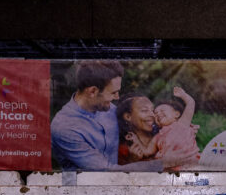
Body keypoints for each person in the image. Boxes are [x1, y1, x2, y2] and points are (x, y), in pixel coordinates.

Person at [50, 61, 197, 171]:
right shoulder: (64, 128)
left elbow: (147, 129)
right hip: (82, 194)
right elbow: (106, 171)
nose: (117, 97)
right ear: (93, 91)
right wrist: (165, 162)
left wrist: (178, 128)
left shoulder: (108, 109)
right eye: (113, 92)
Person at [122, 87, 200, 170]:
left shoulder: (182, 124)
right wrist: (135, 139)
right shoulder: (157, 137)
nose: (158, 114)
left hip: (190, 167)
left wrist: (183, 94)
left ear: (176, 114)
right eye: (155, 113)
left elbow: (191, 103)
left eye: (162, 110)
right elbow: (146, 151)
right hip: (168, 170)